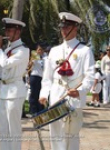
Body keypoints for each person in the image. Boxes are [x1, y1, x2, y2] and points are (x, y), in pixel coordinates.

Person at [39, 12, 95, 150]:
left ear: (75, 28)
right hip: (57, 97)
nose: (63, 30)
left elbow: (90, 76)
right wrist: (44, 94)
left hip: (73, 98)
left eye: (66, 27)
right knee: (56, 134)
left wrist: (80, 91)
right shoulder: (54, 50)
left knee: (72, 135)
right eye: (62, 27)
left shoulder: (85, 51)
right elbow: (47, 76)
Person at [0, 18, 29, 150]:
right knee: (3, 128)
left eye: (9, 30)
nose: (6, 32)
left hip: (15, 90)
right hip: (4, 90)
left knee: (14, 128)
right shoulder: (7, 50)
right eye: (6, 30)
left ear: (18, 31)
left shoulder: (23, 49)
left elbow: (6, 63)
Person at [28, 43, 47, 114]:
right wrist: (32, 60)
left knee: (41, 94)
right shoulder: (34, 56)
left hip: (42, 78)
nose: (41, 51)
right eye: (39, 49)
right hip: (35, 77)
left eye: (42, 49)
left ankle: (41, 110)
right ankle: (34, 110)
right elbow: (29, 67)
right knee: (34, 95)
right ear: (36, 50)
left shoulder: (45, 56)